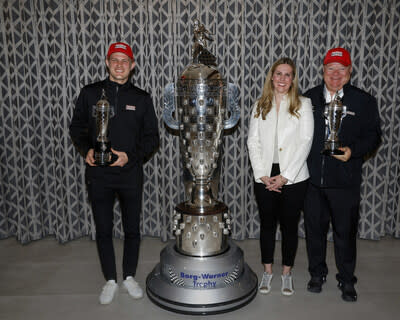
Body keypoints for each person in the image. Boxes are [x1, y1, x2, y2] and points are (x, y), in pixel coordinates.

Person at [69, 42, 159, 304]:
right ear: (107, 63)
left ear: (132, 65)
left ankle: (129, 276)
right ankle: (110, 279)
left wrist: (130, 156)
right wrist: (86, 150)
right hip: (98, 174)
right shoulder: (89, 93)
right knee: (104, 228)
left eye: (125, 60)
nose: (119, 64)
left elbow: (152, 138)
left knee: (132, 229)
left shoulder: (142, 98)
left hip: (130, 173)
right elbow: (76, 128)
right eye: (114, 60)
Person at [303, 47, 381, 302]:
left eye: (341, 69)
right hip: (313, 181)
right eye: (330, 69)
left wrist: (352, 151)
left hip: (345, 183)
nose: (335, 74)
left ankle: (347, 279)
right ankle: (317, 273)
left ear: (350, 71)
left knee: (345, 234)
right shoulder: (308, 99)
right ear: (323, 70)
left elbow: (374, 136)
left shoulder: (364, 101)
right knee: (314, 232)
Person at [247, 58, 314, 296]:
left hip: (294, 178)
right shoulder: (259, 104)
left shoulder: (303, 104)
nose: (282, 79)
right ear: (271, 77)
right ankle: (267, 271)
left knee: (288, 226)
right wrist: (263, 175)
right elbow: (252, 141)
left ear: (293, 79)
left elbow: (306, 141)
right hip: (265, 175)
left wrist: (284, 176)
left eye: (288, 75)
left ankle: (286, 273)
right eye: (278, 74)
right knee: (267, 225)